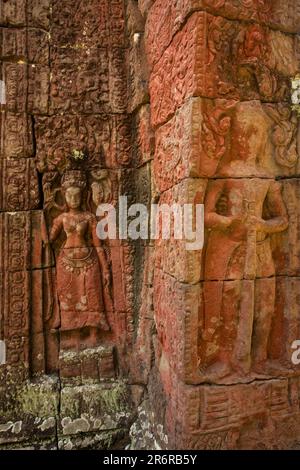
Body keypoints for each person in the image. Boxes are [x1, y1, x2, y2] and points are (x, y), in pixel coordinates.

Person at [49, 170, 110, 351]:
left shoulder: (89, 217)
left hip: (89, 262)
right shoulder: (61, 218)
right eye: (69, 195)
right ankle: (74, 334)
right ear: (64, 196)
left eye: (77, 195)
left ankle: (93, 334)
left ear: (84, 196)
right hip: (66, 263)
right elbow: (51, 240)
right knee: (69, 297)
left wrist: (105, 268)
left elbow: (98, 245)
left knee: (92, 296)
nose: (74, 199)